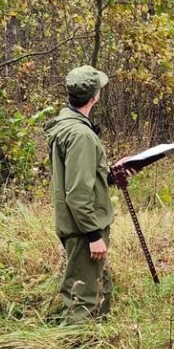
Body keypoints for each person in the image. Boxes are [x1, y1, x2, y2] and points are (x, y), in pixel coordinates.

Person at [45, 65, 118, 322]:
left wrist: (108, 176)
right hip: (83, 229)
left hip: (77, 226)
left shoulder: (66, 125)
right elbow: (77, 193)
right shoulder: (80, 135)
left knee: (99, 288)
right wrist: (94, 235)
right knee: (83, 302)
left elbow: (76, 176)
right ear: (94, 96)